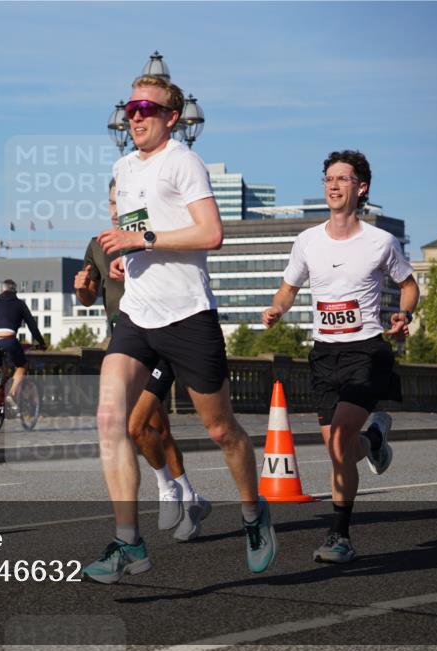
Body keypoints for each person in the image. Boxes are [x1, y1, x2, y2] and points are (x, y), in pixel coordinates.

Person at [81, 74, 276, 584]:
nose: (136, 115)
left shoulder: (184, 162)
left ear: (172, 117)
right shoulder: (122, 168)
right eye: (130, 107)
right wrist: (124, 258)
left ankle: (255, 515)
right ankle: (129, 544)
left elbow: (211, 234)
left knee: (220, 430)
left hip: (188, 316)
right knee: (110, 420)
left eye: (148, 107)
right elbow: (141, 234)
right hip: (138, 317)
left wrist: (142, 239)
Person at [262, 150, 418, 564]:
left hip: (365, 350)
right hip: (323, 354)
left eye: (342, 179)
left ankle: (340, 536)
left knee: (339, 443)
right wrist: (277, 308)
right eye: (328, 179)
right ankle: (375, 438)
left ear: (361, 188)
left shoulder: (380, 241)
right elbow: (288, 289)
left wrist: (405, 314)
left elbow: (409, 284)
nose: (332, 185)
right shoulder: (307, 240)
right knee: (339, 450)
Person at [74, 179, 210, 540]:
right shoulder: (98, 244)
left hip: (162, 335)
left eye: (122, 199)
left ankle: (172, 490)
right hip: (124, 340)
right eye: (111, 201)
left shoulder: (155, 234)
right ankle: (186, 494)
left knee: (143, 423)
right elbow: (89, 296)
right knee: (142, 424)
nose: (116, 208)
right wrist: (81, 288)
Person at [0, 279, 47, 407]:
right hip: (8, 339)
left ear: (2, 290)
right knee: (22, 366)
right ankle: (11, 395)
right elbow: (32, 326)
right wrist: (41, 343)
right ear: (15, 291)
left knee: (0, 368)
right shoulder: (20, 304)